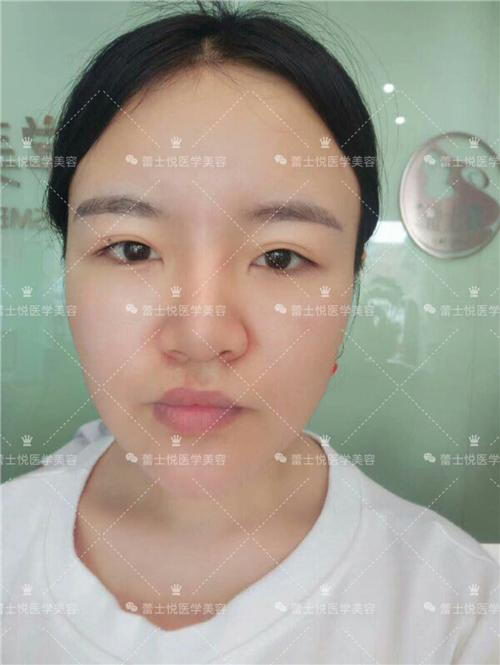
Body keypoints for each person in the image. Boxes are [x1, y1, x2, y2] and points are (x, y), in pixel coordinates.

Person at [2, 2, 498, 663]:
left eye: (281, 258)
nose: (200, 335)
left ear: (351, 290)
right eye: (131, 248)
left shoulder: (457, 612)